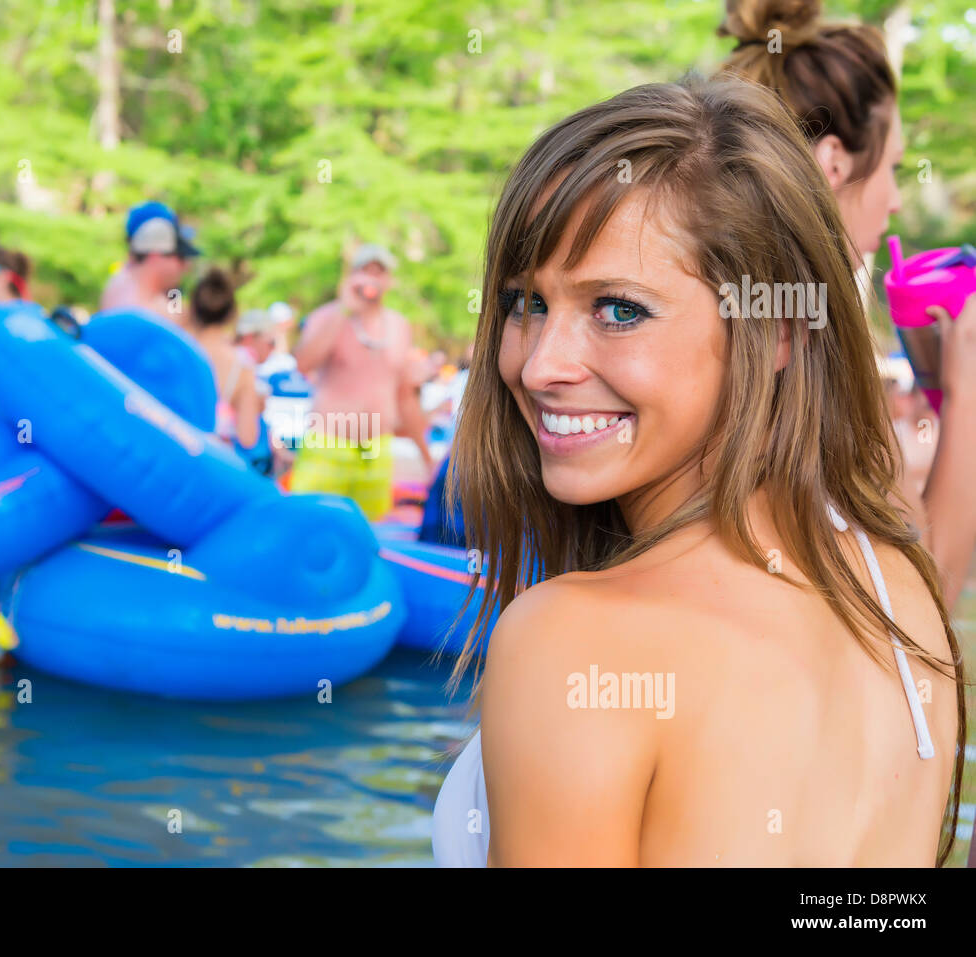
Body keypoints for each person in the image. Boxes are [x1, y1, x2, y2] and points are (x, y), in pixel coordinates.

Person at [431, 77, 963, 867]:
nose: (539, 364)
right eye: (525, 302)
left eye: (618, 308)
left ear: (778, 328)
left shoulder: (576, 639)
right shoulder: (902, 593)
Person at [718, 0, 976, 610]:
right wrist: (966, 395)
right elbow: (921, 598)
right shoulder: (806, 345)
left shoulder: (738, 302)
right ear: (834, 163)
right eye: (891, 166)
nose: (893, 202)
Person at [290, 244, 430, 520]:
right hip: (328, 444)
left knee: (370, 535)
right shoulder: (328, 316)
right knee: (308, 526)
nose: (372, 279)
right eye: (366, 271)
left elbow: (405, 397)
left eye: (380, 272)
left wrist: (426, 456)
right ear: (352, 276)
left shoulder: (399, 326)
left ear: (389, 280)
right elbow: (303, 363)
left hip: (375, 450)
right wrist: (345, 308)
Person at [184, 268, 264, 452]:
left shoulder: (177, 349)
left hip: (173, 456)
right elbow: (248, 437)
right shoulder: (242, 364)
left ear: (193, 308)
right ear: (231, 314)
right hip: (213, 463)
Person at [100, 201, 200, 319]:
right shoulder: (129, 290)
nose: (186, 266)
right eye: (180, 256)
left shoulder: (127, 280)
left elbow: (176, 313)